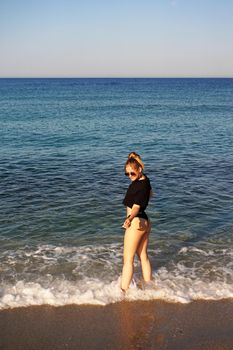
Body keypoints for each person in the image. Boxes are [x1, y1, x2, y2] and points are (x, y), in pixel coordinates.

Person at [121, 152, 152, 292]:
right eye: (127, 174)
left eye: (132, 173)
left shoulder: (137, 186)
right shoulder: (146, 181)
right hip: (145, 222)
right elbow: (151, 194)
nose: (129, 177)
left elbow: (136, 207)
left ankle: (123, 292)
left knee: (127, 260)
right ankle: (150, 287)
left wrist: (129, 219)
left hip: (136, 222)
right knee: (143, 256)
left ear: (139, 169)